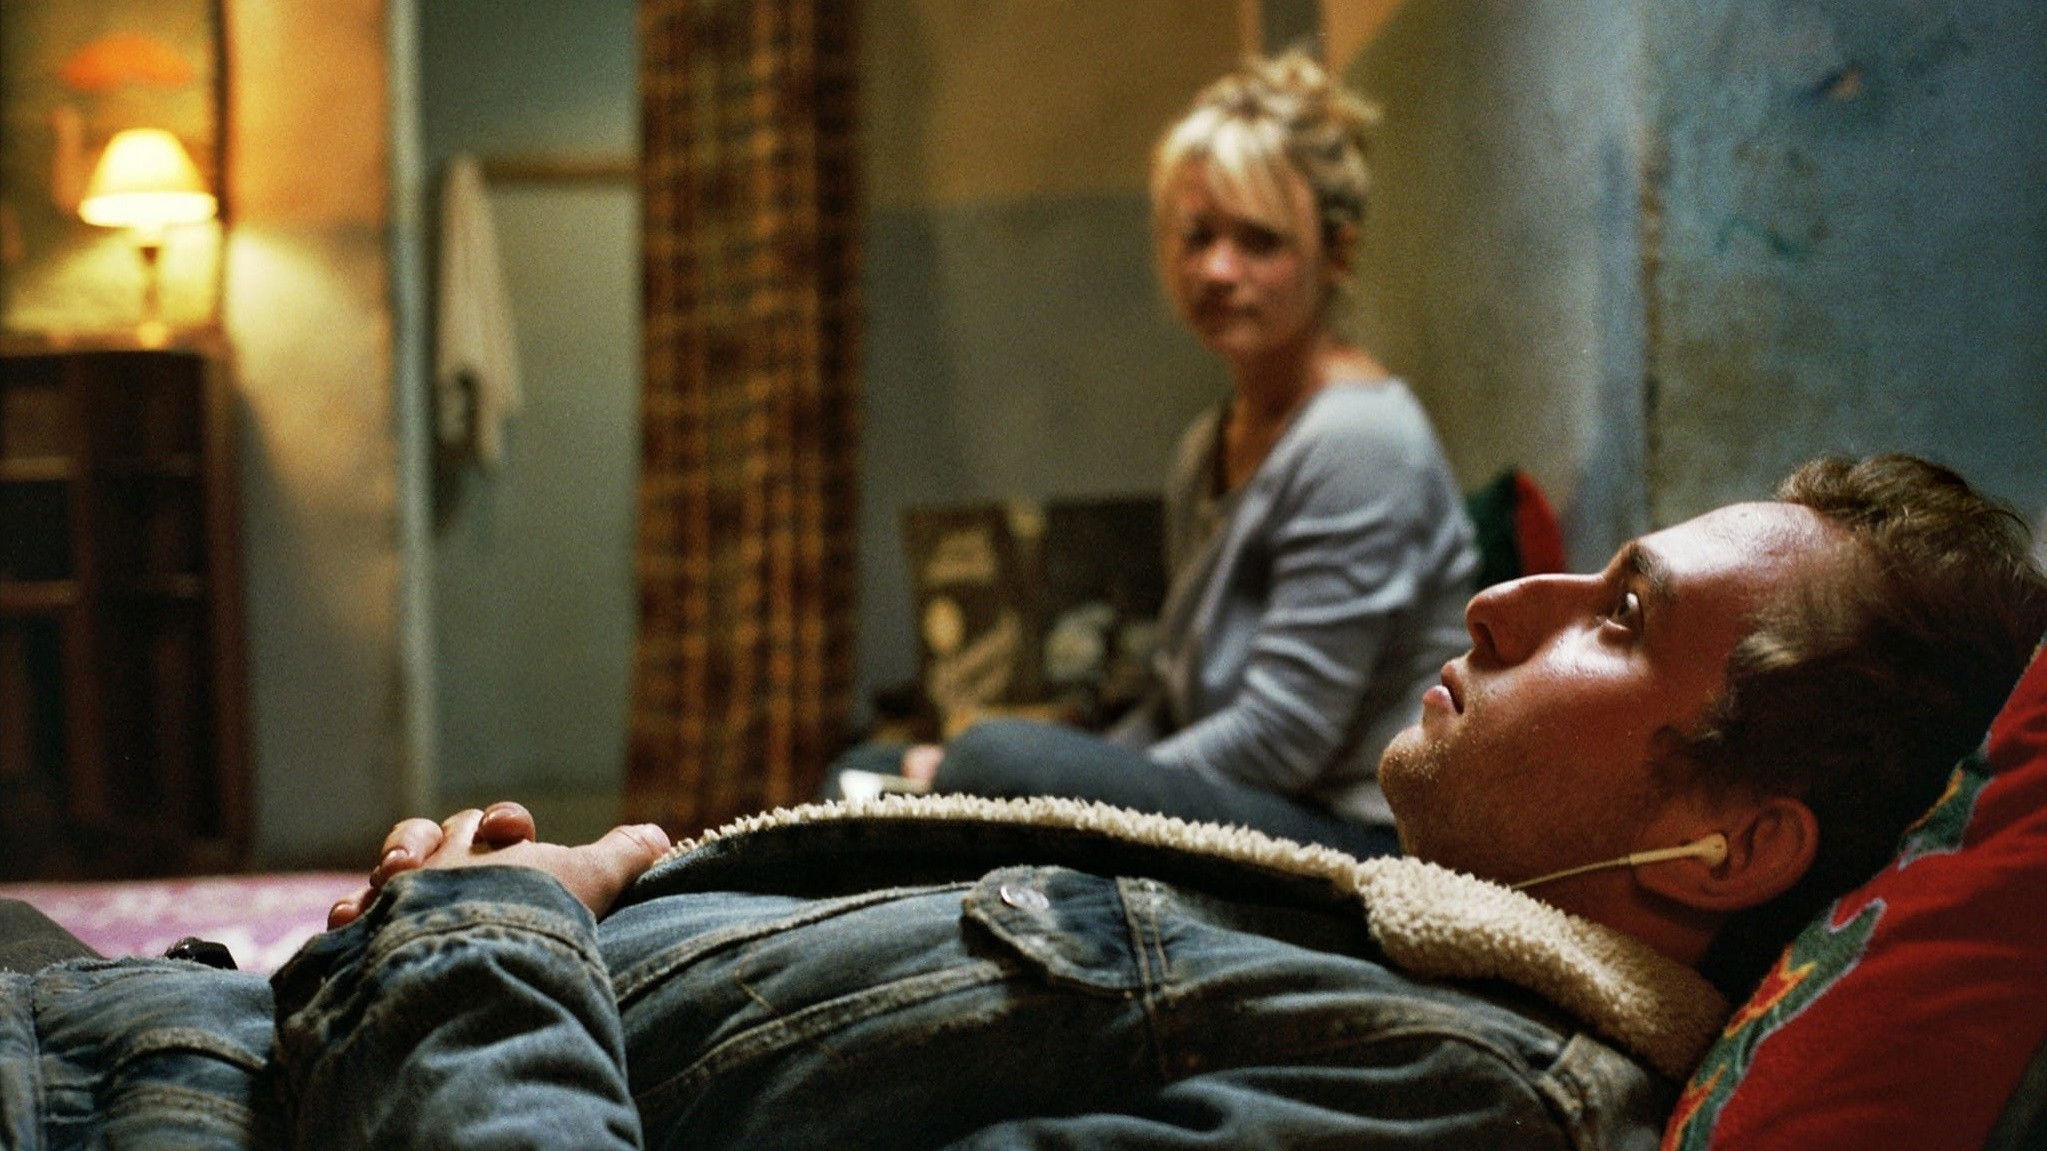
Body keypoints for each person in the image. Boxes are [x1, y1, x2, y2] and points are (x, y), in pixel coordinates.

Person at [5, 453, 2042, 1149]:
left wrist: (495, 924)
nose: (1500, 599)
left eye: (1613, 614)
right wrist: (504, 915)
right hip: (196, 1039)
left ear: (1727, 842)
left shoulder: (1444, 1091)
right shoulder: (1396, 949)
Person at [852, 51, 1477, 858]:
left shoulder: (1360, 440)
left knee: (989, 760)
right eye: (1197, 236)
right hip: (1251, 798)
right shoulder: (1206, 446)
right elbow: (1173, 707)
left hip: (1352, 833)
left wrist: (1060, 786)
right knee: (868, 770)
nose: (1217, 270)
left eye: (1259, 241)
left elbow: (1281, 740)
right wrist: (1081, 771)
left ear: (1336, 254)